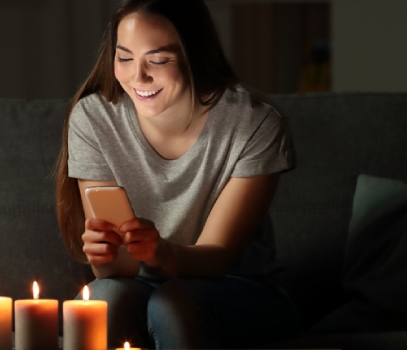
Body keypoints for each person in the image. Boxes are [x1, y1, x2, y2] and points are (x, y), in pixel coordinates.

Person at [55, 0, 302, 348]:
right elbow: (116, 272)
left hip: (238, 287)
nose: (137, 77)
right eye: (124, 58)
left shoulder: (254, 122)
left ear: (194, 55)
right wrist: (105, 257)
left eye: (158, 60)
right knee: (101, 300)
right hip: (142, 283)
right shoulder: (94, 119)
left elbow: (218, 257)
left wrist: (163, 254)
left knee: (172, 304)